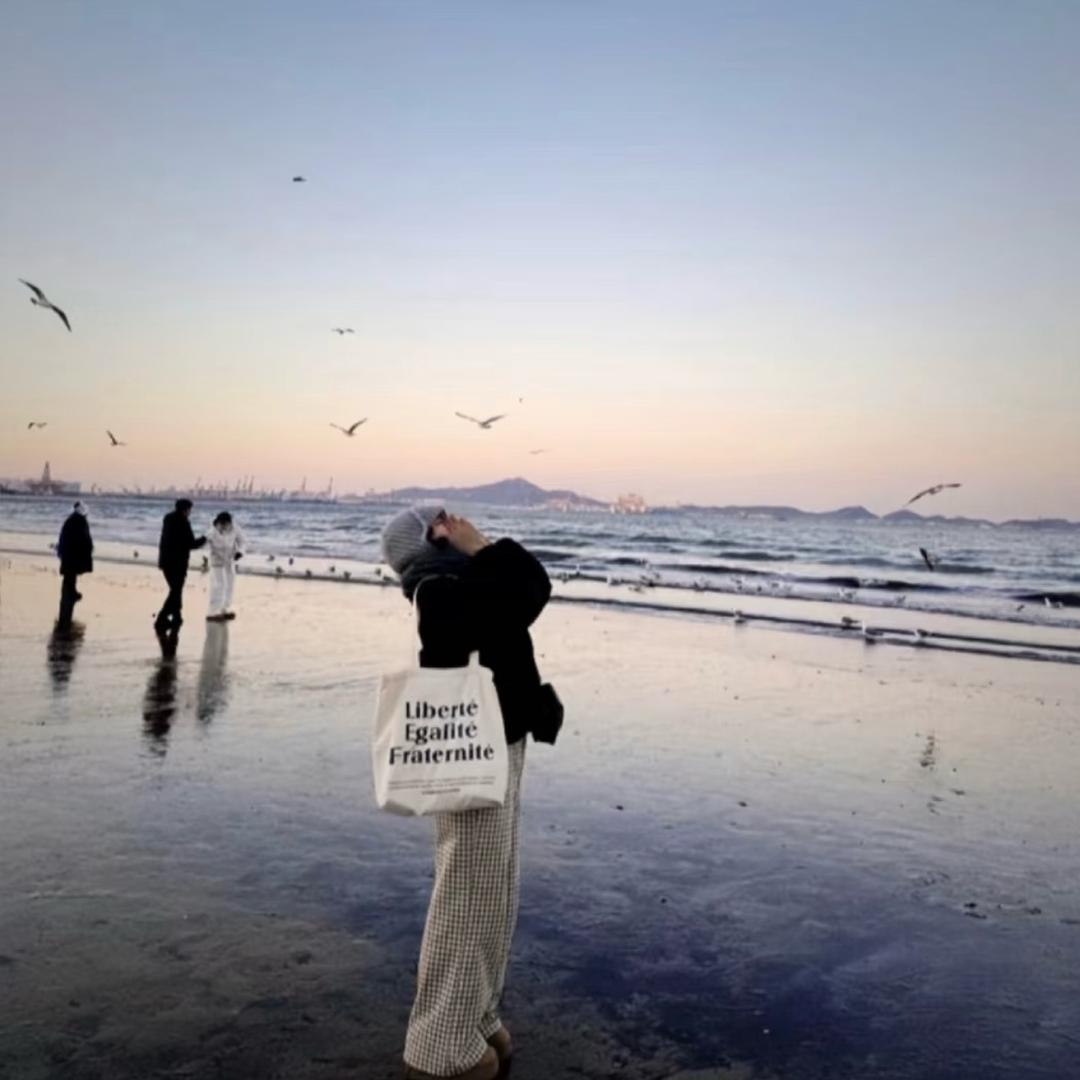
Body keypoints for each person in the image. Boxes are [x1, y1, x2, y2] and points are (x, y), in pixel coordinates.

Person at [381, 505, 562, 1080]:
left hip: (492, 747)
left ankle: (477, 1017)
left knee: (491, 892)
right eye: (442, 520)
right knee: (469, 895)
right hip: (474, 756)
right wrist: (479, 544)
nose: (455, 521)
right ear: (430, 540)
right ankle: (440, 1048)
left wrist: (476, 551)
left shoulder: (453, 584)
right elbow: (533, 586)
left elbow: (520, 596)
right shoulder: (440, 585)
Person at [155, 499, 206, 633]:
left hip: (165, 560)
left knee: (175, 590)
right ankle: (162, 616)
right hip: (178, 562)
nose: (190, 512)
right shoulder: (183, 521)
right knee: (176, 591)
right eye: (190, 510)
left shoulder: (168, 519)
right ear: (186, 509)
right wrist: (205, 539)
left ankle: (177, 616)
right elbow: (191, 543)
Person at [56, 501, 93, 626]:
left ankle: (70, 592)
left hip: (68, 553)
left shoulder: (71, 520)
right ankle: (70, 593)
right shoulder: (79, 521)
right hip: (73, 554)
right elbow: (84, 538)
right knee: (70, 576)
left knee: (69, 575)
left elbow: (64, 538)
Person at [205, 511, 244, 621]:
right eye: (224, 524)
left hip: (230, 561)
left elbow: (243, 541)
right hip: (217, 562)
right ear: (219, 522)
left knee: (229, 586)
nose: (227, 526)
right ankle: (213, 612)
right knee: (218, 586)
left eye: (228, 523)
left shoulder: (235, 528)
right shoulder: (212, 532)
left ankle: (225, 609)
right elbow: (202, 542)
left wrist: (240, 552)